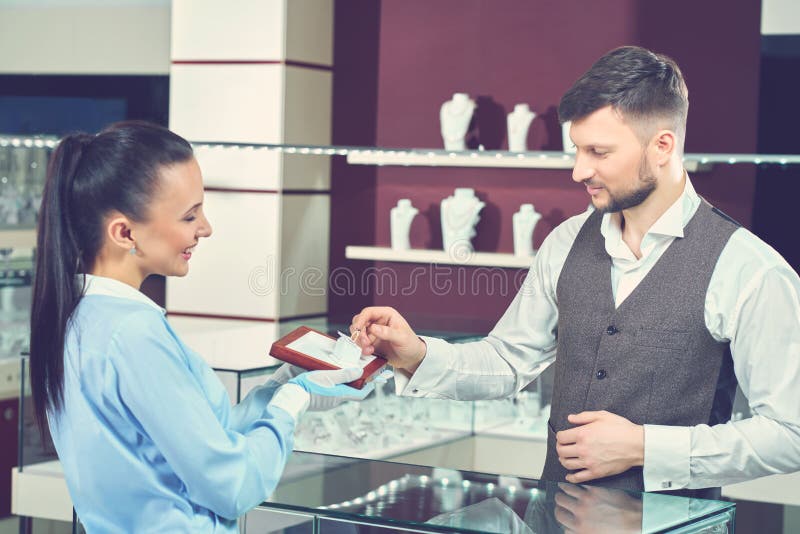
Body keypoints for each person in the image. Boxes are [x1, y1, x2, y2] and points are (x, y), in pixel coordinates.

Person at [351, 46, 800, 498]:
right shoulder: (565, 242)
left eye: (598, 152)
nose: (578, 170)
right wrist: (416, 354)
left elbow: (791, 432)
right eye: (578, 149)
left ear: (662, 146)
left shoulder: (750, 269)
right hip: (555, 517)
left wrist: (647, 447)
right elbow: (507, 360)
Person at [29, 121, 378, 532]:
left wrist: (280, 388)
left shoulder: (81, 319)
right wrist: (293, 401)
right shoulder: (133, 336)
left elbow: (198, 444)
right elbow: (232, 486)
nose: (206, 228)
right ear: (124, 233)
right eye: (189, 215)